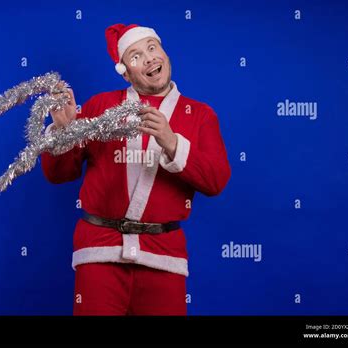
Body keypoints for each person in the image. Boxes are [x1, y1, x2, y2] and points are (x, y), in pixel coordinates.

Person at [41, 23, 231, 315]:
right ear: (126, 72)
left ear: (165, 53)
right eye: (136, 55)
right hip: (99, 253)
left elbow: (216, 180)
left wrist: (171, 143)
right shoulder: (100, 106)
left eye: (153, 48)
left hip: (164, 257)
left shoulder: (200, 115)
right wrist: (64, 131)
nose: (150, 59)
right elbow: (58, 175)